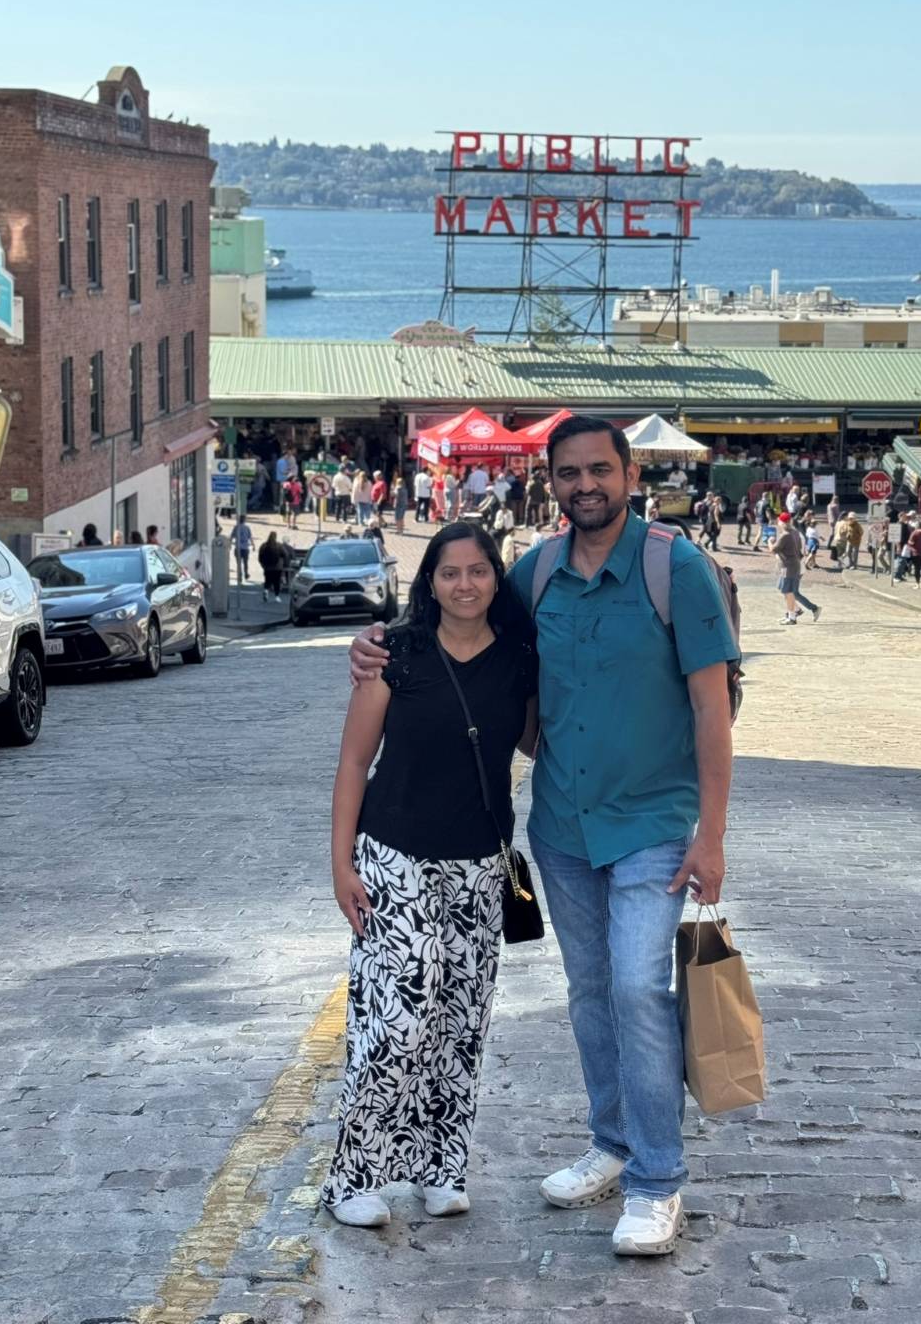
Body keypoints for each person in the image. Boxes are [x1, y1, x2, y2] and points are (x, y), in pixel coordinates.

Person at [350, 415, 738, 1258]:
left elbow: (714, 707)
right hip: (561, 828)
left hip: (653, 828)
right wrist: (377, 645)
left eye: (600, 470)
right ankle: (614, 1141)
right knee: (591, 993)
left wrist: (712, 835)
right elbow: (470, 634)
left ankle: (657, 1182)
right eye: (569, 474)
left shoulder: (679, 572)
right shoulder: (534, 573)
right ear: (551, 483)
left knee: (639, 990)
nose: (585, 486)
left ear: (630, 475)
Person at [322, 522, 539, 1229]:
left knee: (459, 1024)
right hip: (395, 856)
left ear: (495, 581)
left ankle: (441, 1169)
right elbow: (355, 762)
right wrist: (341, 863)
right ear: (431, 581)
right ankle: (354, 1178)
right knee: (397, 1021)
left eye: (479, 572)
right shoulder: (396, 653)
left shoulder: (519, 659)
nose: (466, 585)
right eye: (451, 573)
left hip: (479, 863)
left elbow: (543, 738)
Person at [770, 511, 822, 626]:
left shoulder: (786, 535)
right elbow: (799, 551)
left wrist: (770, 542)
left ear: (782, 522)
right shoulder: (795, 533)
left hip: (790, 567)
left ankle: (795, 615)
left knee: (790, 592)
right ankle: (794, 612)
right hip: (793, 565)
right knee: (786, 590)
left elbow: (774, 549)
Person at [258, 530, 285, 602]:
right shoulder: (279, 545)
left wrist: (263, 565)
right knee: (276, 582)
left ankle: (266, 591)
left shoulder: (264, 545)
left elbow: (260, 557)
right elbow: (285, 554)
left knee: (267, 581)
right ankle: (277, 596)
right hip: (277, 567)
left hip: (267, 567)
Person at [230, 515, 253, 579]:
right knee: (245, 562)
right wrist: (253, 545)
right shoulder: (247, 528)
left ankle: (239, 575)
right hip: (245, 548)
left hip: (238, 547)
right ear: (244, 520)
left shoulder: (236, 527)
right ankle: (246, 573)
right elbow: (250, 537)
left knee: (238, 563)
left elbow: (231, 536)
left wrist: (229, 545)